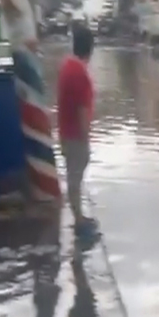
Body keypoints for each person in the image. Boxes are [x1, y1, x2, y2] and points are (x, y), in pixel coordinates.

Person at [57, 26, 96, 237]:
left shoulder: (67, 66)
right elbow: (82, 109)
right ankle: (79, 223)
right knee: (75, 179)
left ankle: (79, 216)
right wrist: (86, 138)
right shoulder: (79, 73)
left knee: (75, 178)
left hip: (66, 132)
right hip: (75, 136)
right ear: (90, 48)